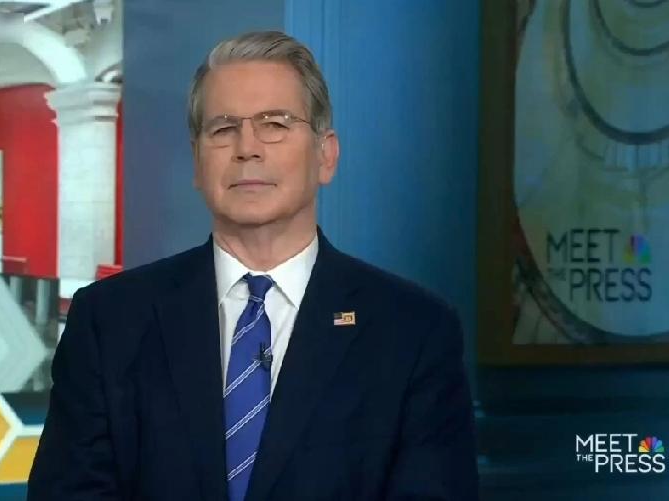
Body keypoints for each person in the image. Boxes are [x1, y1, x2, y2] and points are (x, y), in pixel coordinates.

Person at [28, 30, 478, 501]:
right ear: (197, 162)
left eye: (275, 124)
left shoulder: (413, 330)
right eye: (223, 129)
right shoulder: (109, 320)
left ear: (326, 156)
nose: (247, 147)